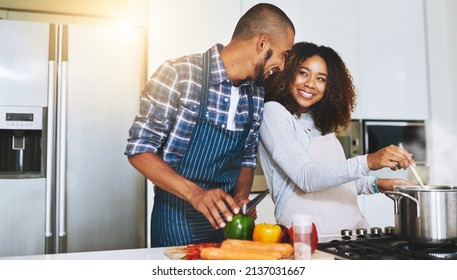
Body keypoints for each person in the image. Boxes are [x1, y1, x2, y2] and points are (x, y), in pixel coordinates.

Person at [125, 3, 295, 247]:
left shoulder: (255, 94)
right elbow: (139, 150)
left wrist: (241, 199)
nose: (282, 66)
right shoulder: (179, 74)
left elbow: (246, 157)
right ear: (262, 43)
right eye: (284, 55)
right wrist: (196, 194)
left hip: (227, 227)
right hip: (174, 220)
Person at [257, 42, 415, 235]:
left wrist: (377, 184)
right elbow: (306, 178)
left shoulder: (320, 121)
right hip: (310, 236)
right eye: (303, 73)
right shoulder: (273, 113)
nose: (310, 84)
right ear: (288, 73)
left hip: (353, 232)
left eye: (321, 78)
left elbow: (337, 181)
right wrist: (368, 161)